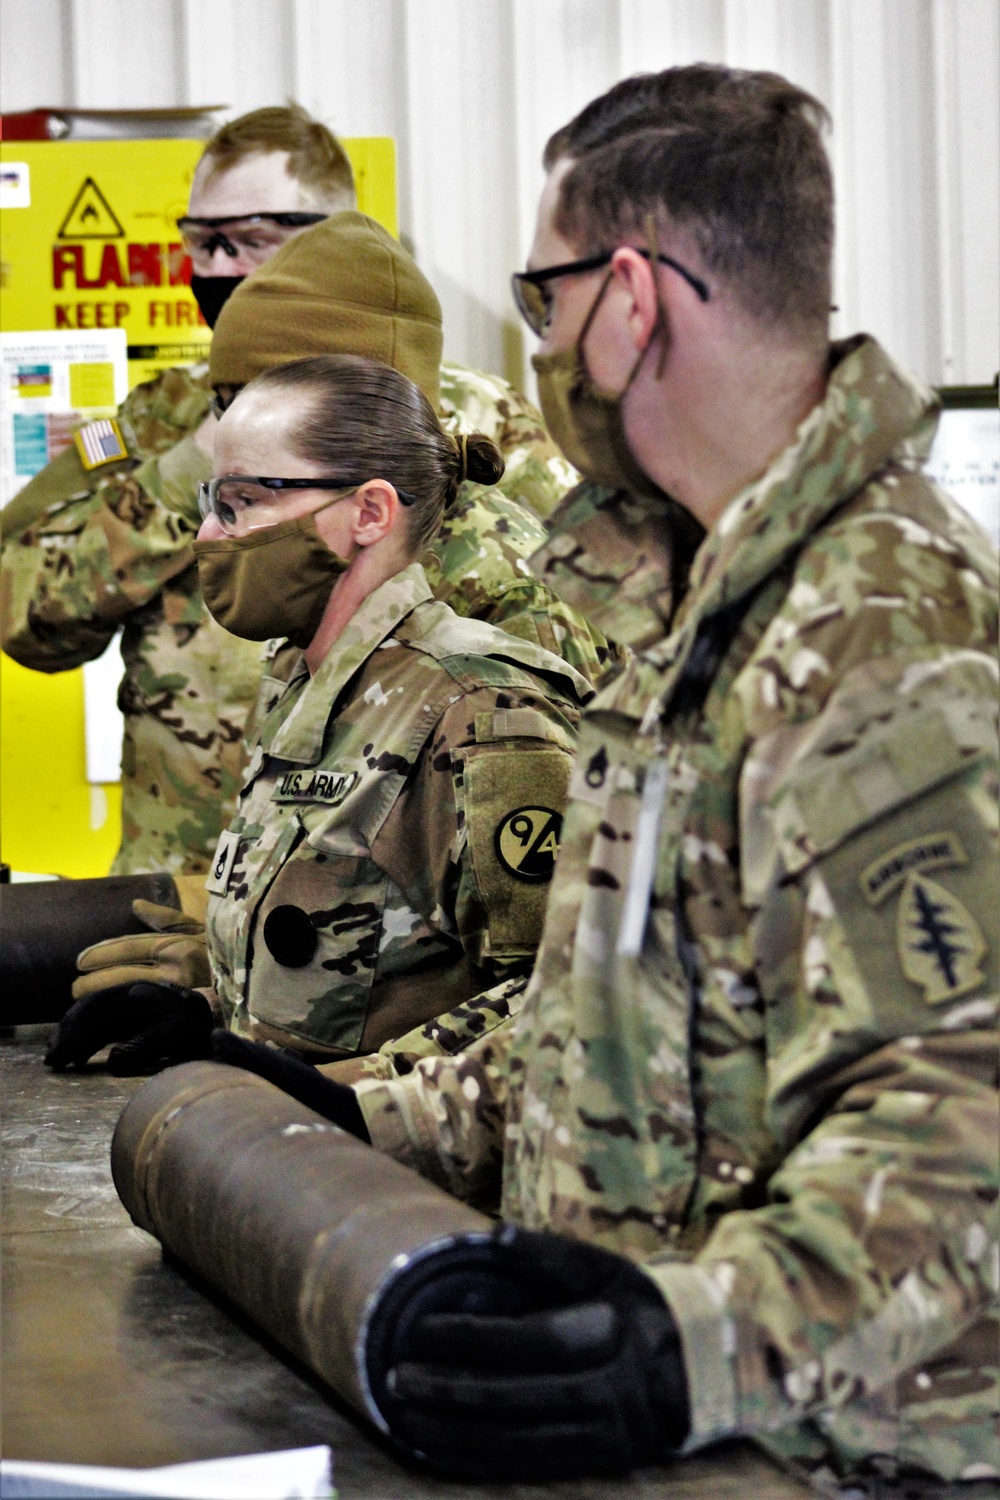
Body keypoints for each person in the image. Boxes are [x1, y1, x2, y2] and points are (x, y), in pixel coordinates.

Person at [210, 67, 999, 1489]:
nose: (542, 350)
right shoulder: (695, 600)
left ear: (631, 300)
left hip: (833, 1458)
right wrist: (352, 1114)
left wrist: (670, 1347)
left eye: (546, 301)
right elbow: (610, 1024)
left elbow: (957, 1128)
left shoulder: (877, 633)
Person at [1, 104, 590, 877]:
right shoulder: (156, 418)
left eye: (250, 238)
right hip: (184, 868)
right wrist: (180, 479)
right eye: (200, 240)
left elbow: (579, 638)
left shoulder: (481, 420)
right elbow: (23, 611)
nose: (216, 267)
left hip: (377, 902)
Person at [44, 353, 592, 1074]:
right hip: (288, 1167)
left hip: (388, 1180)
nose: (209, 535)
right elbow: (377, 976)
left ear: (368, 513)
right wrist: (213, 1017)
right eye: (212, 501)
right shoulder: (307, 687)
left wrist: (351, 1098)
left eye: (242, 502)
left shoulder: (482, 711)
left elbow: (567, 1006)